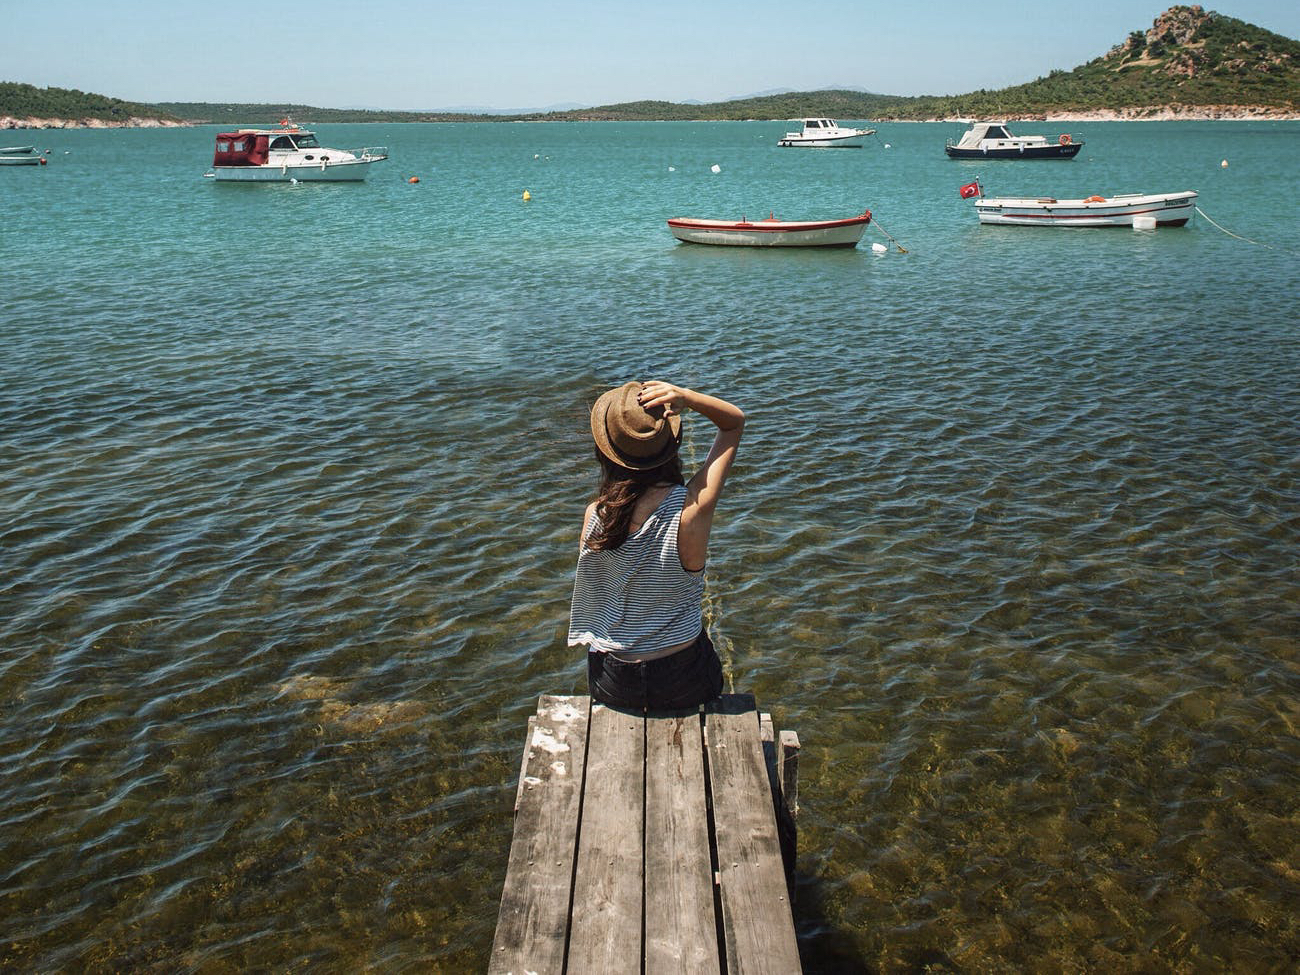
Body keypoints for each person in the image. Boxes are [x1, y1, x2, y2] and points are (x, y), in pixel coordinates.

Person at [568, 380, 745, 712]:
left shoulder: (596, 517)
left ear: (605, 453)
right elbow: (734, 422)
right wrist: (686, 398)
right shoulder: (691, 510)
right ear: (671, 447)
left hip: (613, 683)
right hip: (685, 680)